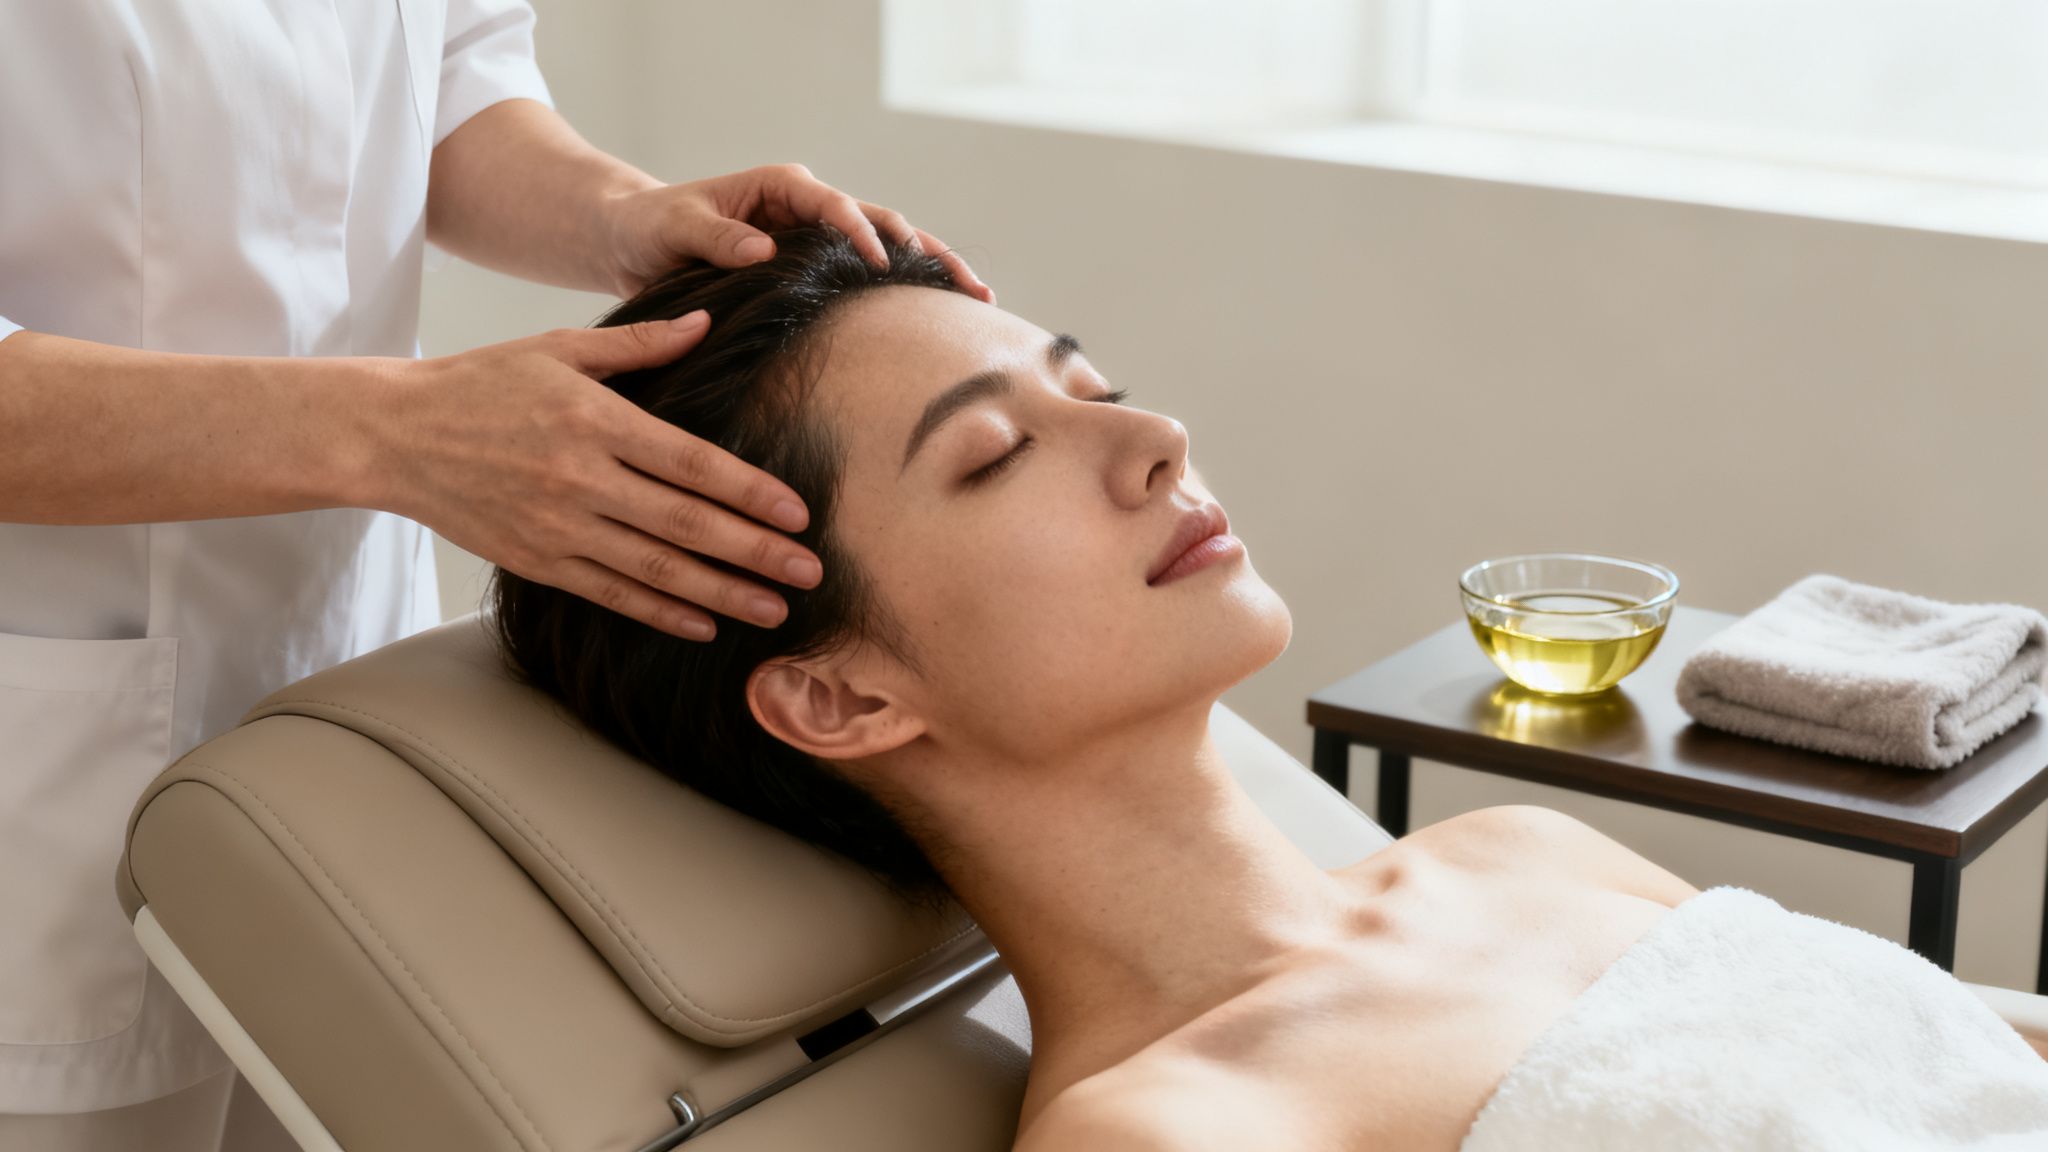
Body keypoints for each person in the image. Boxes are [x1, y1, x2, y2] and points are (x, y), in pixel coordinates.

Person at [490, 227, 2048, 1149]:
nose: (1157, 436)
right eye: (998, 453)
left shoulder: (1512, 849)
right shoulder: (1165, 1130)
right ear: (839, 697)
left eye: (1091, 387)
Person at [0, 1, 986, 1144]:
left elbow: (447, 68)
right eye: (991, 452)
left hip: (335, 704)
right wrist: (394, 433)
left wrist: (617, 216)